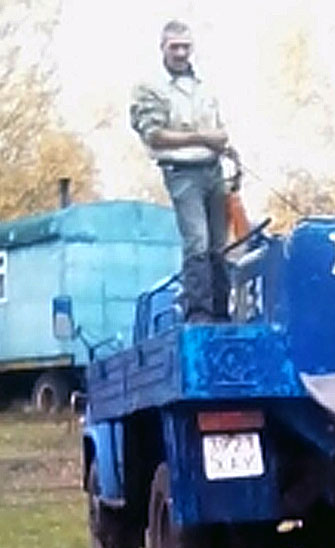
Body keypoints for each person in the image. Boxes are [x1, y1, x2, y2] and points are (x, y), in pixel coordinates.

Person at [130, 19, 232, 322]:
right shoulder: (149, 87)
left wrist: (225, 145)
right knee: (197, 241)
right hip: (182, 172)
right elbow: (154, 135)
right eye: (174, 46)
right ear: (162, 47)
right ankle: (198, 313)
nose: (181, 53)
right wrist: (203, 138)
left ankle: (221, 312)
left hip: (214, 168)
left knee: (219, 245)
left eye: (186, 46)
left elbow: (216, 126)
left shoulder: (204, 84)